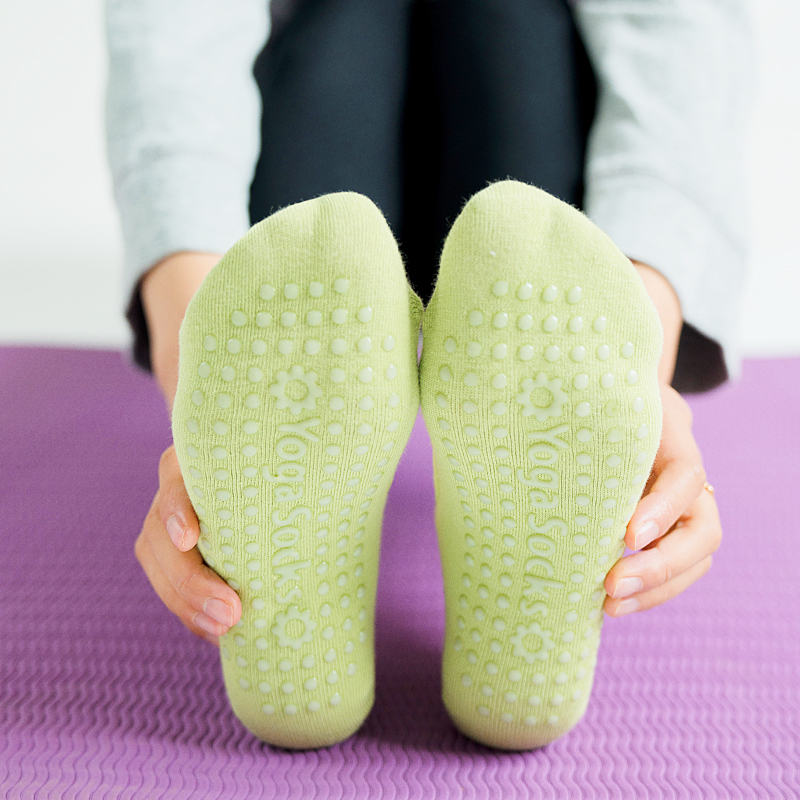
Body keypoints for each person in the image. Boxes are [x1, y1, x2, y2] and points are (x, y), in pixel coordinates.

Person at [105, 0, 752, 745]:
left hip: (426, 217)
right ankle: (516, 652)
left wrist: (196, 360)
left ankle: (296, 653)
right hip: (437, 211)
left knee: (473, 53)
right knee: (380, 43)